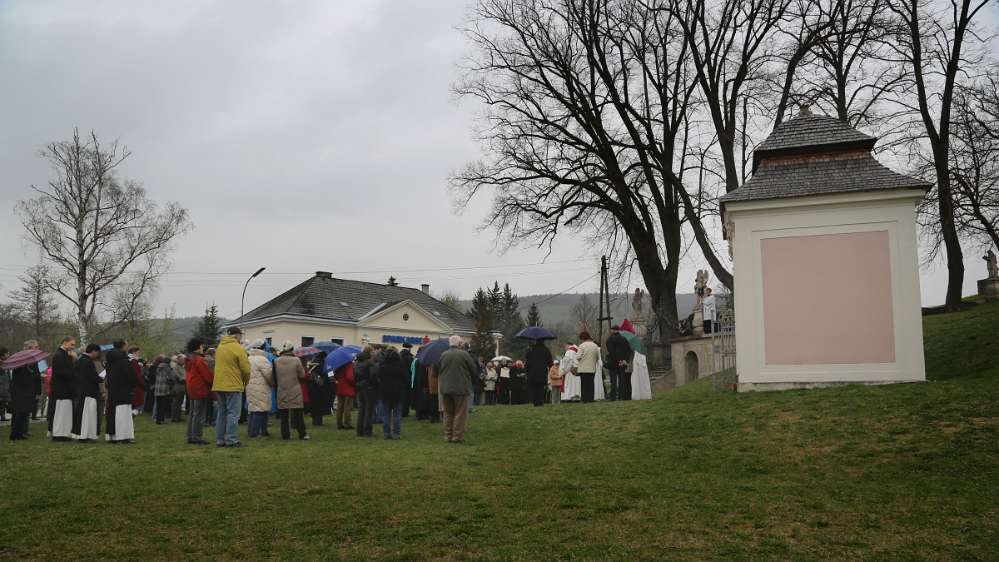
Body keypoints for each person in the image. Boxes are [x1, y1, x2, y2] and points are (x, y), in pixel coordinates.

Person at [212, 327, 251, 448]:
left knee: (222, 413)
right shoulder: (238, 348)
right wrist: (245, 382)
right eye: (241, 336)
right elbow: (246, 369)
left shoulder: (220, 347)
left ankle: (220, 439)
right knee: (233, 414)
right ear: (237, 336)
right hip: (233, 385)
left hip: (219, 384)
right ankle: (231, 440)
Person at [436, 335, 476, 443]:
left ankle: (447, 436)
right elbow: (473, 370)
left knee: (448, 413)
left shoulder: (443, 355)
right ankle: (457, 436)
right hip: (461, 388)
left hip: (445, 388)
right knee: (460, 413)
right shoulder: (464, 354)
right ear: (459, 344)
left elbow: (436, 371)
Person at [274, 342, 309, 441]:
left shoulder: (276, 361)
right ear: (292, 349)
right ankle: (302, 434)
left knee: (284, 415)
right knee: (298, 413)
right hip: (295, 389)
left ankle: (285, 435)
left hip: (281, 389)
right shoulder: (296, 360)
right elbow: (302, 375)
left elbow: (274, 376)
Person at [105, 340, 137, 444]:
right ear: (123, 347)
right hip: (123, 390)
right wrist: (133, 384)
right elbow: (130, 376)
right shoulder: (123, 361)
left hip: (113, 390)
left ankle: (113, 436)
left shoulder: (109, 361)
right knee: (123, 413)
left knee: (113, 412)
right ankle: (123, 436)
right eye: (126, 345)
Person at [185, 338, 214, 445]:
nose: (203, 348)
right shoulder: (199, 360)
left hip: (191, 388)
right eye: (201, 346)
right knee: (199, 414)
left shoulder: (189, 359)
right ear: (197, 347)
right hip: (199, 388)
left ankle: (190, 435)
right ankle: (197, 436)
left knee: (192, 413)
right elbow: (207, 376)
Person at [71, 344, 102, 442]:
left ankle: (82, 434)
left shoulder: (79, 360)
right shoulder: (88, 362)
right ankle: (85, 435)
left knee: (82, 414)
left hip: (81, 391)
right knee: (87, 414)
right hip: (89, 392)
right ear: (93, 351)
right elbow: (92, 377)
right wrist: (100, 378)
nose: (97, 354)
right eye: (97, 352)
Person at [49, 336, 77, 441]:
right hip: (61, 389)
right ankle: (58, 434)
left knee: (66, 413)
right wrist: (73, 370)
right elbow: (60, 372)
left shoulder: (64, 354)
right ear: (65, 343)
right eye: (72, 344)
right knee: (61, 412)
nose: (73, 347)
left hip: (66, 389)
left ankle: (64, 433)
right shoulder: (59, 355)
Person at [377, 347, 407, 440]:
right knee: (397, 415)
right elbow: (406, 379)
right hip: (398, 392)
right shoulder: (400, 365)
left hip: (385, 392)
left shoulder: (382, 366)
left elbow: (379, 378)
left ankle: (386, 433)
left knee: (386, 414)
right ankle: (396, 434)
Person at [246, 341, 274, 438]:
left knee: (253, 409)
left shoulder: (248, 358)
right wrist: (272, 383)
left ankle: (255, 431)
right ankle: (255, 433)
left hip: (250, 386)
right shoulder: (262, 359)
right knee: (260, 410)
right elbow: (269, 375)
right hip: (261, 387)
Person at [354, 348, 376, 437]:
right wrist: (373, 385)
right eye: (372, 351)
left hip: (359, 387)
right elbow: (373, 375)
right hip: (368, 387)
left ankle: (359, 431)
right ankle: (367, 431)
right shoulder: (370, 362)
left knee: (361, 410)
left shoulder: (357, 363)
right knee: (369, 410)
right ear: (369, 352)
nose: (374, 352)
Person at [307, 352, 333, 427]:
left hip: (312, 386)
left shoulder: (312, 363)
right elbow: (329, 374)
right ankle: (319, 421)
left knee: (314, 405)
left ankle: (314, 421)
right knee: (320, 405)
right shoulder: (324, 363)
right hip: (322, 387)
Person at [524, 340, 553, 407]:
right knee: (541, 387)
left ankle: (535, 402)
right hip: (542, 371)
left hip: (532, 372)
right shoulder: (546, 349)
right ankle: (540, 402)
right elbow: (550, 362)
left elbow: (527, 360)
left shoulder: (530, 349)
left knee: (534, 387)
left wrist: (527, 370)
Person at [606, 325, 631, 401]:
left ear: (613, 330)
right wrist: (624, 360)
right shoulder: (624, 339)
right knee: (622, 381)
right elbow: (628, 351)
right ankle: (621, 396)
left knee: (613, 381)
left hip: (613, 363)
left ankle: (613, 397)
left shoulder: (609, 339)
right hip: (622, 363)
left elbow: (611, 351)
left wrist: (617, 360)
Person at [576, 332, 600, 404]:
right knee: (591, 384)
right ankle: (591, 398)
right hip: (592, 368)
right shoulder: (595, 346)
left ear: (583, 338)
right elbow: (597, 357)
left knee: (584, 384)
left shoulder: (582, 346)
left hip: (583, 368)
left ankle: (584, 399)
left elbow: (578, 357)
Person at [153, 356, 176, 424]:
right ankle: (161, 419)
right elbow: (171, 378)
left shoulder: (158, 367)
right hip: (165, 388)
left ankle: (158, 419)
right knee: (163, 405)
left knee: (158, 405)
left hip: (158, 388)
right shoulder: (167, 368)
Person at [334, 361, 355, 430]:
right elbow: (350, 377)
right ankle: (347, 423)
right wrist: (354, 382)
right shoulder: (349, 364)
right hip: (348, 387)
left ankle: (339, 424)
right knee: (347, 406)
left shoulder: (338, 364)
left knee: (340, 406)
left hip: (340, 387)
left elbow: (336, 376)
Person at [399, 343, 414, 417]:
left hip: (400, 379)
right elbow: (411, 369)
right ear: (409, 348)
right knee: (407, 397)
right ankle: (405, 412)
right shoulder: (409, 357)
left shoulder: (399, 355)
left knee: (402, 397)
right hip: (407, 379)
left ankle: (401, 411)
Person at [170, 354, 187, 423]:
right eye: (183, 360)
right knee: (176, 403)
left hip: (182, 387)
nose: (184, 361)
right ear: (179, 360)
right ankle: (174, 418)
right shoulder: (175, 367)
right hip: (178, 387)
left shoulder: (181, 367)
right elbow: (178, 377)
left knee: (179, 402)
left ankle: (178, 417)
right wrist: (186, 379)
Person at [0, 351, 10, 423]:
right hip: (1, 385)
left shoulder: (6, 363)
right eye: (7, 353)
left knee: (3, 402)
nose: (8, 355)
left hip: (5, 386)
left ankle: (3, 416)